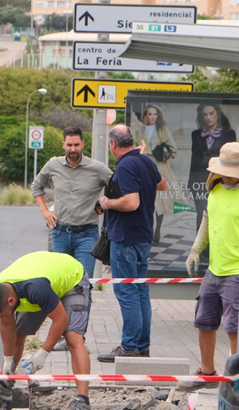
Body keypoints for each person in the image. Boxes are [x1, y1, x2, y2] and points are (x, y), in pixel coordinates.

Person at [0, 251, 94, 410]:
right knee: (19, 332)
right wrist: (7, 359)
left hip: (71, 280)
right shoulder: (1, 288)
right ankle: (7, 383)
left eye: (2, 314)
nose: (3, 317)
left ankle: (82, 402)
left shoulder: (36, 289)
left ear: (11, 301)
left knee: (73, 338)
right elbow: (8, 325)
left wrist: (42, 354)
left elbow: (60, 320)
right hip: (42, 282)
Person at [32, 126, 113, 351]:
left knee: (81, 287)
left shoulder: (96, 168)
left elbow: (116, 186)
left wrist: (103, 204)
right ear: (63, 145)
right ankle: (61, 334)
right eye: (69, 145)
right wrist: (45, 211)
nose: (73, 149)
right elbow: (36, 186)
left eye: (77, 144)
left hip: (86, 234)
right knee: (59, 286)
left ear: (83, 145)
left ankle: (77, 337)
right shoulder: (53, 165)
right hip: (60, 233)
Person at [177, 142, 239, 392]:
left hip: (238, 271)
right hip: (214, 269)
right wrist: (195, 249)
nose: (226, 174)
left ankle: (237, 379)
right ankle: (207, 372)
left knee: (235, 327)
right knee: (204, 321)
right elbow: (208, 219)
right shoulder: (215, 191)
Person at [96, 125, 168, 363]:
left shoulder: (126, 165)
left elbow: (131, 203)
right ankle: (142, 346)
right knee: (140, 292)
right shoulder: (145, 161)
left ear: (113, 144)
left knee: (127, 292)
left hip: (126, 238)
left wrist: (107, 203)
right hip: (144, 235)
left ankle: (129, 347)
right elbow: (163, 184)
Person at [131, 105, 178, 243]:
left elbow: (174, 150)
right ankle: (148, 229)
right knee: (146, 198)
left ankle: (157, 231)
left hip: (160, 167)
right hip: (144, 165)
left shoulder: (163, 130)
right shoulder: (139, 131)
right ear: (145, 115)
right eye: (150, 114)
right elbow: (133, 146)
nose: (152, 117)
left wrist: (163, 153)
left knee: (160, 201)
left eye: (155, 114)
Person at [188, 103, 237, 230]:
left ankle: (215, 243)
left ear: (217, 115)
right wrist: (190, 183)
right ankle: (200, 246)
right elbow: (194, 159)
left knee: (219, 212)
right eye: (205, 114)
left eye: (211, 113)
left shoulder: (229, 134)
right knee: (201, 213)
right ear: (201, 117)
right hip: (199, 179)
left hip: (220, 178)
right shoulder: (196, 134)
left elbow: (232, 157)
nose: (208, 117)